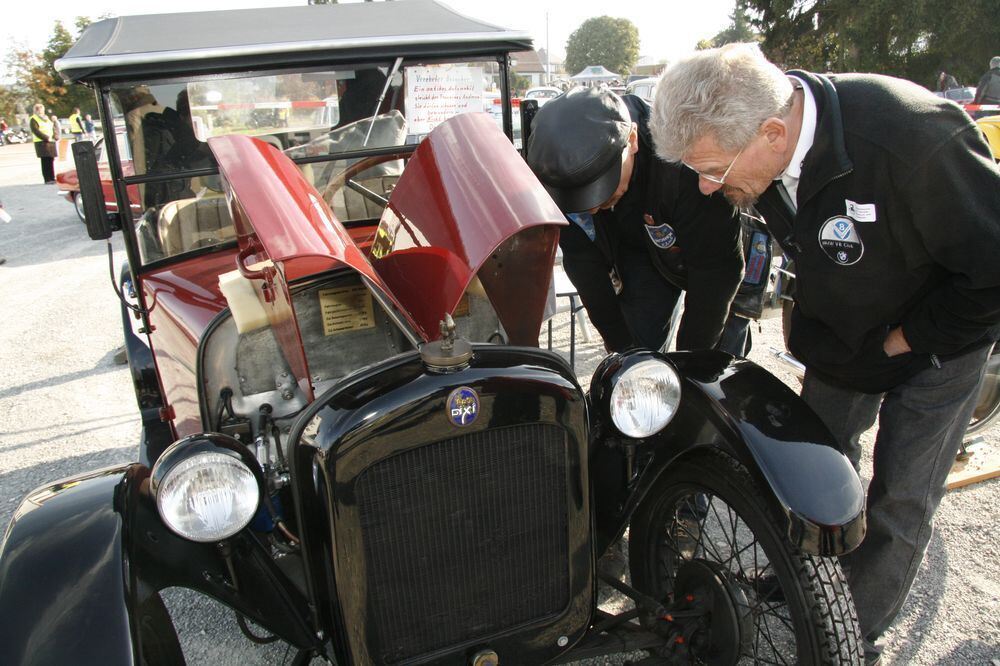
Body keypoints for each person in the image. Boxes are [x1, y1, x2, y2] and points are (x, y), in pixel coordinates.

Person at [650, 43, 1000, 664]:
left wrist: (908, 338)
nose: (705, 188)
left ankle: (850, 632)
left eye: (713, 170)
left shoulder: (914, 139)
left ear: (773, 132)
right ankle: (803, 584)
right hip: (846, 336)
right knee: (809, 468)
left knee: (901, 495)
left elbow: (994, 270)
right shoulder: (765, 147)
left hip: (938, 340)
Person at [525, 87, 747, 354]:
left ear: (632, 140)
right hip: (636, 251)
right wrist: (623, 352)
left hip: (709, 251)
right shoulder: (556, 175)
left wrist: (691, 367)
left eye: (601, 188)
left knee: (717, 358)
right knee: (638, 354)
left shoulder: (686, 162)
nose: (592, 208)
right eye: (581, 198)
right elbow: (585, 268)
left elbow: (717, 271)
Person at [29, 104, 57, 184]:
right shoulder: (33, 119)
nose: (42, 111)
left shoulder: (46, 118)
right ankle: (47, 179)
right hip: (41, 142)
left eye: (42, 109)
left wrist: (55, 135)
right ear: (36, 110)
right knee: (45, 161)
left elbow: (51, 127)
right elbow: (35, 131)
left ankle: (52, 177)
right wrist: (46, 137)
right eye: (40, 109)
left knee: (51, 160)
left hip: (50, 142)